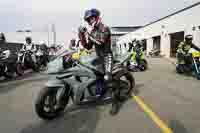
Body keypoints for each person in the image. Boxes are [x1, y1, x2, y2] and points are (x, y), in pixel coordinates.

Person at [78, 8, 121, 115]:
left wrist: (87, 33)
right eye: (88, 20)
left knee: (107, 78)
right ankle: (98, 92)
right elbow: (88, 47)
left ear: (96, 17)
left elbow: (100, 41)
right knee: (91, 72)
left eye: (91, 18)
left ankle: (115, 103)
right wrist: (81, 35)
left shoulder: (105, 28)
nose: (90, 21)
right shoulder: (92, 31)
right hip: (99, 58)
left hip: (107, 57)